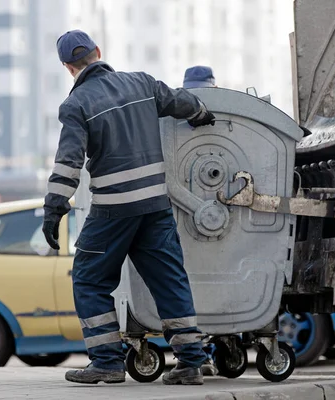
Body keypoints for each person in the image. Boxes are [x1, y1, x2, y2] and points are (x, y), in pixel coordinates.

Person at [42, 30, 215, 386]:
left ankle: (106, 362)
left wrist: (54, 208)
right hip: (155, 206)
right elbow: (181, 101)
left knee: (90, 280)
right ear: (98, 53)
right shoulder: (142, 83)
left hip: (112, 211)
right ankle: (191, 362)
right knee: (169, 279)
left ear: (68, 67)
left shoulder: (76, 105)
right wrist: (200, 113)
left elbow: (68, 163)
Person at [182, 65, 219, 378]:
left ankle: (200, 354)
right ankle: (218, 349)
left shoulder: (172, 116)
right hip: (222, 219)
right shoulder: (227, 115)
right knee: (220, 288)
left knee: (190, 288)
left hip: (184, 222)